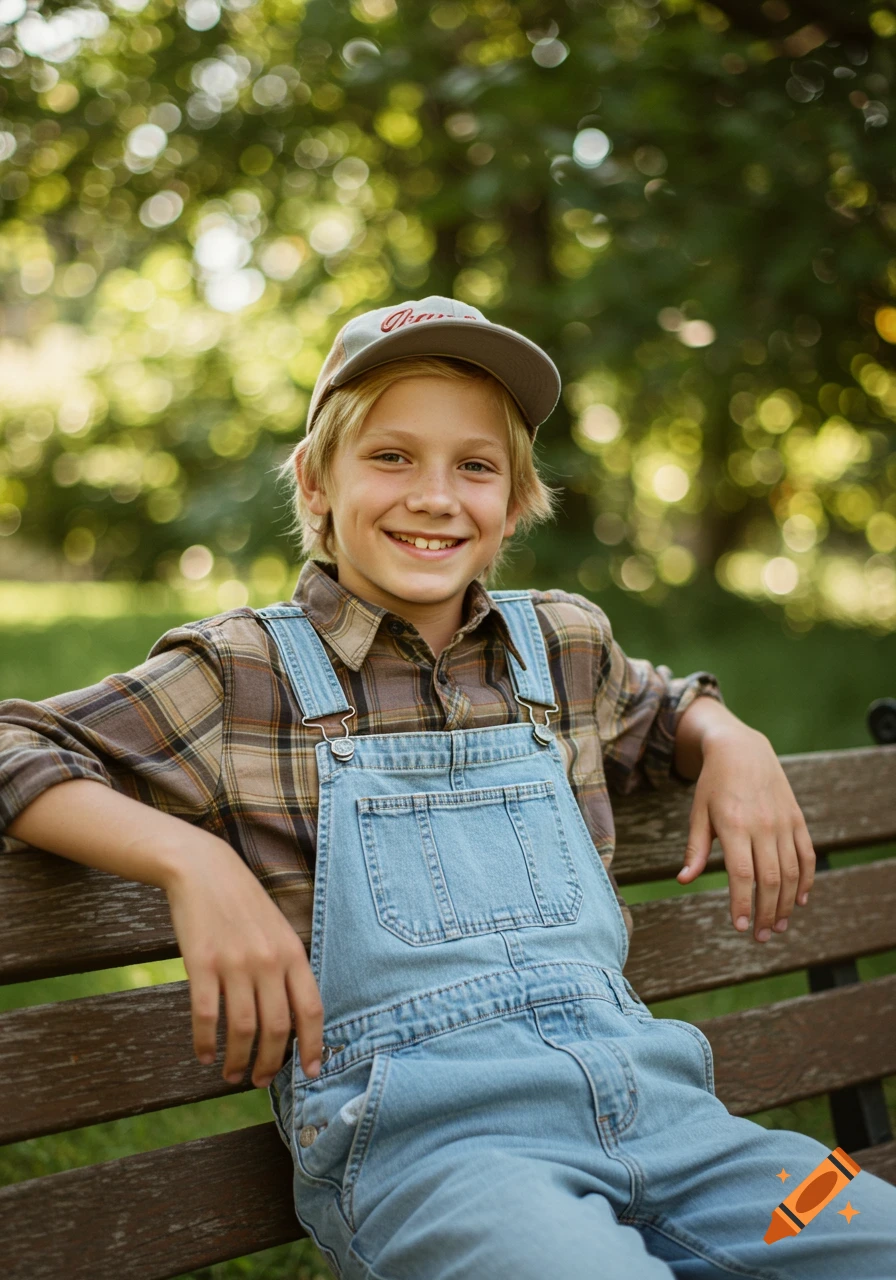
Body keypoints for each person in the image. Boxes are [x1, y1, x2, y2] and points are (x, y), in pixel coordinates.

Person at [1, 296, 893, 1279]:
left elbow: (663, 705)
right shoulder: (242, 671)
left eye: (474, 465)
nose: (434, 495)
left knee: (859, 1236)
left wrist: (727, 734)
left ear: (514, 502)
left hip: (681, 1136)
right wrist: (190, 858)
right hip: (452, 1162)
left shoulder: (560, 644)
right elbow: (15, 742)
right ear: (314, 482)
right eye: (390, 457)